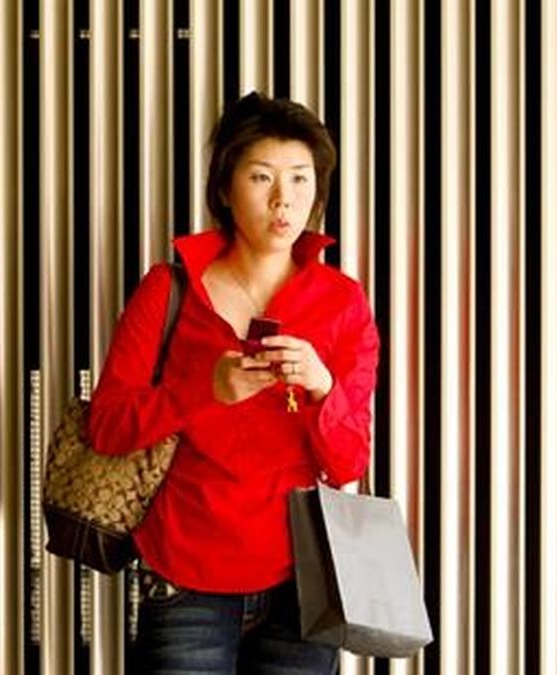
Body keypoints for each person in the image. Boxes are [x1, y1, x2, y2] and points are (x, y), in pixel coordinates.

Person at [87, 91, 380, 675]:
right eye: (261, 176)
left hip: (305, 581)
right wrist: (201, 389)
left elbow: (349, 463)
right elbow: (108, 428)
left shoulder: (342, 301)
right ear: (224, 189)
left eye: (300, 179)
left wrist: (324, 389)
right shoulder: (169, 290)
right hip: (185, 571)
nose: (283, 199)